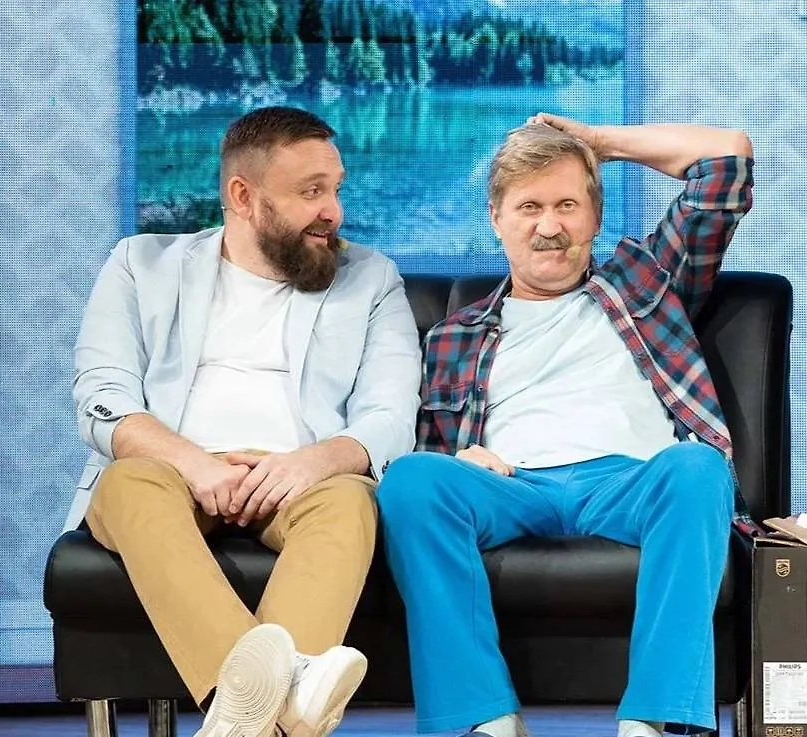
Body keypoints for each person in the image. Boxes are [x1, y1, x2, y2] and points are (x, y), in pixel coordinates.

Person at [375, 114, 755, 737]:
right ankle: (486, 721)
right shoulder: (453, 335)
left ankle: (652, 722)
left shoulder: (646, 282)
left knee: (698, 466)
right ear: (497, 219)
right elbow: (425, 452)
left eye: (567, 205)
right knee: (413, 481)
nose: (549, 226)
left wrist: (598, 144)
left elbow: (726, 160)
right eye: (529, 207)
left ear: (595, 217)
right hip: (512, 485)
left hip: (629, 483)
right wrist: (459, 458)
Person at [65, 106, 422, 737]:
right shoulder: (141, 265)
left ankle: (241, 717)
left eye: (336, 189)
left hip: (301, 481)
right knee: (129, 481)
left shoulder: (372, 279)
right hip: (173, 472)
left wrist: (310, 463)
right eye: (311, 192)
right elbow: (102, 397)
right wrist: (195, 463)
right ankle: (284, 700)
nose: (333, 211)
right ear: (242, 196)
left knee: (350, 500)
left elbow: (390, 417)